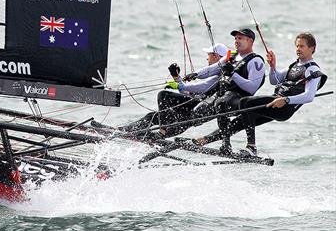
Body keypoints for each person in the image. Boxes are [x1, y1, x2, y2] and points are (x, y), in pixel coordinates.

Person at [199, 32, 327, 157]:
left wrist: (286, 100)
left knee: (245, 102)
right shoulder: (294, 66)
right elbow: (274, 80)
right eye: (297, 46)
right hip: (276, 103)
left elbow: (309, 96)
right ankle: (205, 140)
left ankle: (251, 147)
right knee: (239, 122)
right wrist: (272, 66)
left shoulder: (312, 69)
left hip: (284, 107)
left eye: (302, 46)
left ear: (312, 48)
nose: (298, 49)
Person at [119, 43, 228, 139]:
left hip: (193, 114)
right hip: (188, 112)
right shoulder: (215, 75)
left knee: (163, 95)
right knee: (152, 116)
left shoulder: (220, 75)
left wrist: (179, 86)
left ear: (216, 56)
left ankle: (162, 131)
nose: (207, 59)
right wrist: (176, 78)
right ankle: (124, 130)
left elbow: (202, 87)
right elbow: (189, 93)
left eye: (208, 55)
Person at [189, 28, 265, 153]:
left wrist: (233, 74)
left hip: (240, 99)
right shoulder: (231, 56)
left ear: (250, 41)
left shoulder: (256, 61)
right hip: (224, 96)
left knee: (221, 102)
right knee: (197, 112)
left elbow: (252, 88)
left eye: (240, 38)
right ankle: (168, 131)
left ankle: (227, 145)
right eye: (235, 38)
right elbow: (212, 69)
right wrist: (195, 74)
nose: (236, 41)